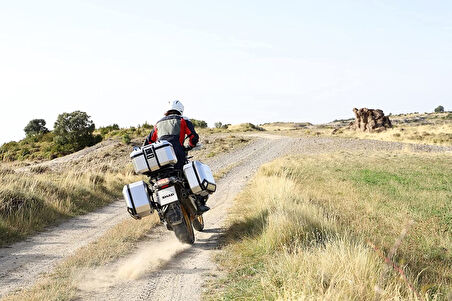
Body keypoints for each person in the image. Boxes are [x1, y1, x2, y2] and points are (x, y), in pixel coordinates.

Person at [143, 100, 209, 213]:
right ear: (181, 110)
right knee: (188, 176)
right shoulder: (183, 120)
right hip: (178, 155)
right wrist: (189, 146)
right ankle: (199, 203)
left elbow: (148, 143)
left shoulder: (158, 124)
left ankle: (160, 210)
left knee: (156, 181)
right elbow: (193, 137)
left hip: (159, 161)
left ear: (166, 111)